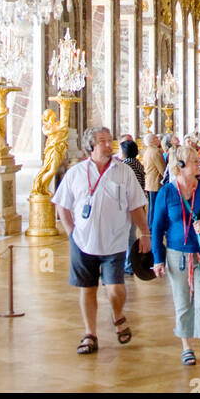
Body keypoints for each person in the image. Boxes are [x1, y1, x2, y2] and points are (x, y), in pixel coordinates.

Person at [52, 126, 150, 355]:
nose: (109, 145)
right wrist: (71, 233)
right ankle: (90, 334)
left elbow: (136, 205)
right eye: (103, 141)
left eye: (109, 140)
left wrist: (144, 232)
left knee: (115, 289)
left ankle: (117, 314)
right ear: (91, 146)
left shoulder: (123, 171)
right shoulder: (76, 173)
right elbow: (62, 204)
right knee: (87, 289)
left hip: (114, 241)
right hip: (83, 242)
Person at [151, 143, 200, 369]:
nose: (199, 164)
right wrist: (157, 258)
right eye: (194, 161)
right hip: (176, 254)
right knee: (182, 302)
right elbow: (157, 228)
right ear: (181, 165)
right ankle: (186, 347)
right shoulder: (167, 192)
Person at [119, 138, 146, 276]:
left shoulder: (126, 165)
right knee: (130, 234)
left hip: (129, 204)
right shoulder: (136, 163)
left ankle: (128, 265)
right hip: (136, 202)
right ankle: (127, 263)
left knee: (128, 236)